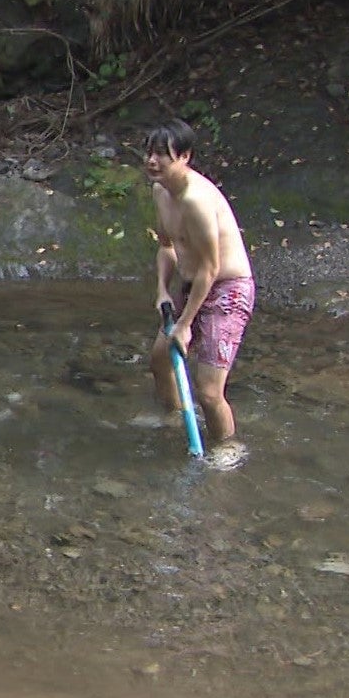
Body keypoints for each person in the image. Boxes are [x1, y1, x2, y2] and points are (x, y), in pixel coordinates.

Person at [145, 118, 256, 469]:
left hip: (227, 290)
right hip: (194, 285)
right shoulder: (161, 191)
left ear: (185, 157)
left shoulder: (196, 199)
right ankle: (177, 418)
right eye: (149, 152)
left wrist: (185, 323)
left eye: (163, 154)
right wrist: (162, 289)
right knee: (160, 359)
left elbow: (210, 268)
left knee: (209, 392)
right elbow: (166, 246)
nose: (152, 161)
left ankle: (228, 449)